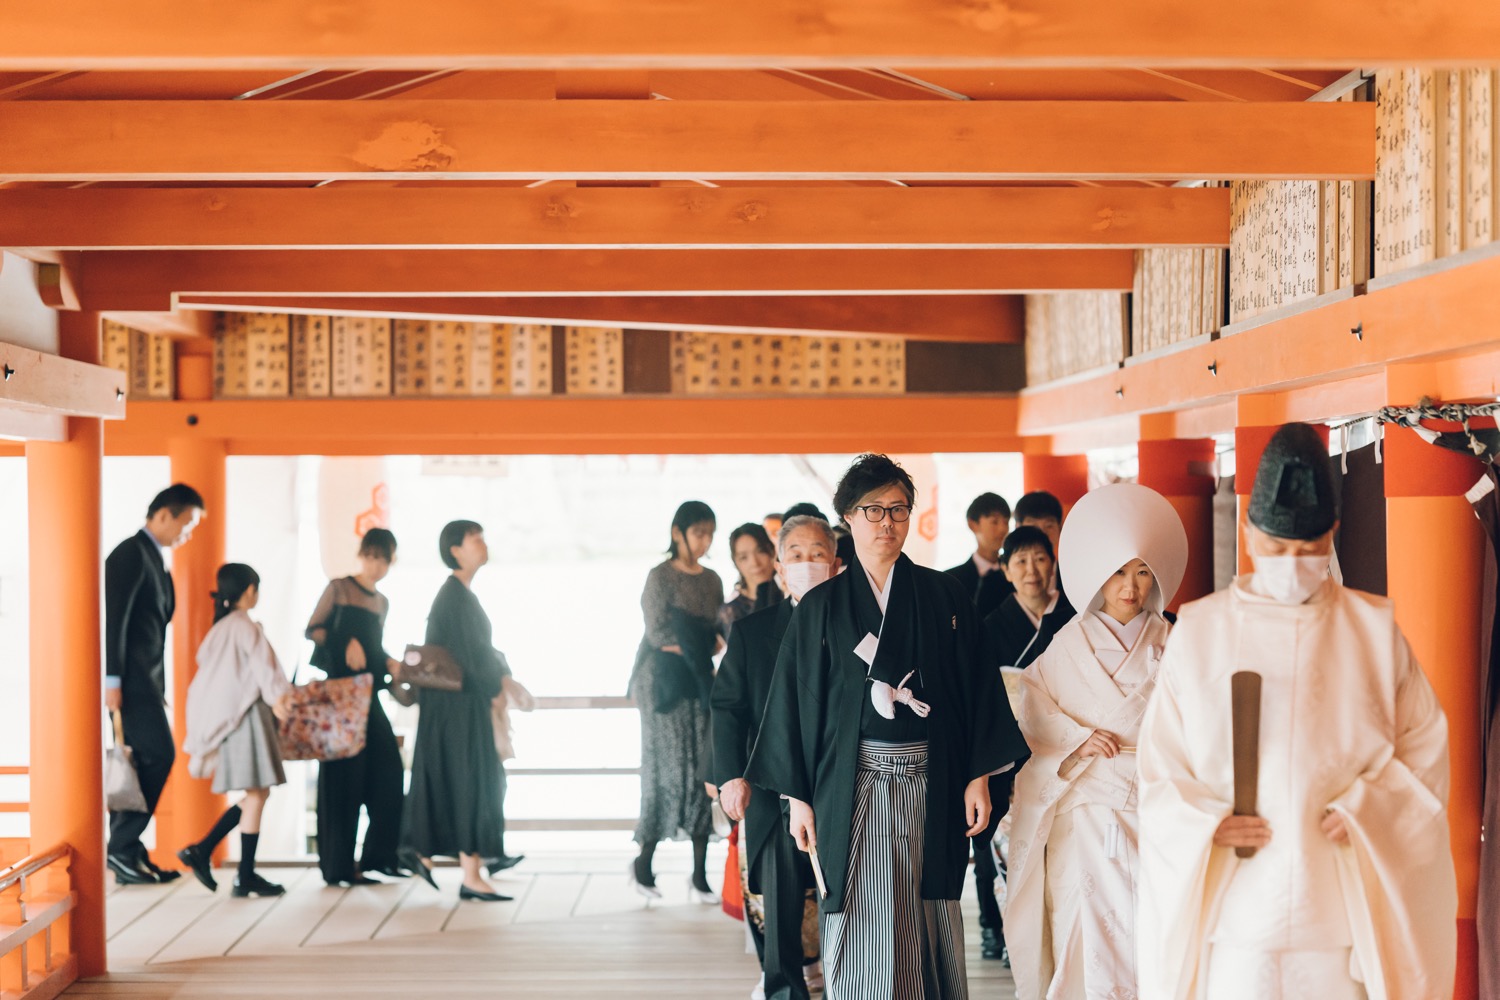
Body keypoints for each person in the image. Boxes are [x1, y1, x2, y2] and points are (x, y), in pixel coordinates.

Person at [1137, 422, 1457, 1000]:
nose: (1292, 563)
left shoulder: (1373, 630)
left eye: (1309, 551)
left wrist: (1371, 806)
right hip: (1238, 903)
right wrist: (1204, 821)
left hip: (1335, 899)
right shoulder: (1202, 630)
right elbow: (1161, 766)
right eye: (1279, 549)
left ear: (1332, 533)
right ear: (1250, 532)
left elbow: (1425, 745)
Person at [746, 454, 1028, 1000]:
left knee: (929, 909)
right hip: (852, 787)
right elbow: (795, 705)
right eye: (872, 510)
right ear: (848, 520)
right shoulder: (822, 606)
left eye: (898, 510)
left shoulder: (944, 595)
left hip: (932, 779)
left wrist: (977, 777)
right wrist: (798, 800)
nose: (886, 523)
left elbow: (974, 689)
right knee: (863, 912)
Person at [1004, 483, 1188, 1000]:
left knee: (1149, 927)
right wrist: (1077, 742)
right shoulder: (1067, 647)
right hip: (1083, 803)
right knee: (1080, 922)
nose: (1130, 586)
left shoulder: (1172, 644)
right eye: (1118, 572)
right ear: (1098, 575)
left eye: (1142, 572)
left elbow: (1196, 722)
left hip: (1152, 803)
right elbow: (1032, 713)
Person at [713, 515, 840, 1000]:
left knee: (849, 897)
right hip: (770, 787)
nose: (807, 564)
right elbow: (727, 708)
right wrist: (729, 776)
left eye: (817, 554)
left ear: (836, 564)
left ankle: (850, 981)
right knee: (783, 899)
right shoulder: (751, 632)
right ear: (780, 569)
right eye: (796, 555)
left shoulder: (858, 630)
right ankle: (784, 989)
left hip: (841, 783)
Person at [967, 525, 1077, 966]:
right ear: (1006, 570)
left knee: (1050, 837)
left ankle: (1044, 923)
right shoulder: (989, 627)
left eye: (1040, 559)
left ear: (1053, 565)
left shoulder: (1073, 619)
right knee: (992, 835)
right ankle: (995, 924)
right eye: (1021, 561)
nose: (1032, 570)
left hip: (1059, 742)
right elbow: (978, 692)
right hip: (1004, 745)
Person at [399, 520, 514, 903]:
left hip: (453, 708)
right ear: (455, 550)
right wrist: (498, 687)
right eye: (475, 539)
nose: (483, 544)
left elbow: (477, 652)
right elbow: (473, 656)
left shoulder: (458, 595)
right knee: (472, 783)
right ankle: (469, 872)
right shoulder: (454, 596)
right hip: (458, 709)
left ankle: (441, 859)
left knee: (467, 782)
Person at [103, 482, 205, 885]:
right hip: (128, 680)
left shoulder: (154, 557)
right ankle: (122, 848)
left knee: (145, 759)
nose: (187, 533)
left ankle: (129, 850)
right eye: (186, 523)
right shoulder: (129, 553)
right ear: (164, 514)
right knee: (157, 755)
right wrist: (113, 679)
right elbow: (117, 620)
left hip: (146, 681)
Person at [177, 564, 293, 897]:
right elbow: (264, 668)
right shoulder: (245, 627)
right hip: (247, 718)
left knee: (257, 793)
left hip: (232, 720)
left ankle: (217, 857)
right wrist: (279, 699)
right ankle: (233, 868)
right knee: (257, 793)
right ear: (249, 591)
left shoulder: (220, 629)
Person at [629, 500, 723, 902]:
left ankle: (700, 874)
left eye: (709, 533)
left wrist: (701, 642)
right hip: (663, 684)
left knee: (703, 767)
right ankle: (643, 863)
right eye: (698, 532)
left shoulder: (714, 578)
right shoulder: (659, 575)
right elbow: (657, 633)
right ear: (677, 533)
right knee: (665, 768)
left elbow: (720, 630)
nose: (704, 541)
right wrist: (699, 643)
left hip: (700, 679)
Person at [305, 527, 408, 887]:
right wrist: (342, 639)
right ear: (363, 554)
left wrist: (393, 664)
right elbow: (313, 630)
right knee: (342, 781)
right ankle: (338, 866)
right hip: (339, 698)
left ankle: (380, 857)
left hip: (369, 695)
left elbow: (375, 650)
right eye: (373, 557)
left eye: (385, 560)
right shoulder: (339, 588)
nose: (377, 566)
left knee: (389, 774)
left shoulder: (382, 602)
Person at [945, 491, 1015, 620]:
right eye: (994, 522)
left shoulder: (1016, 576)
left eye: (1006, 522)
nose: (1002, 529)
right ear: (973, 524)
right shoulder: (951, 579)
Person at [722, 522, 782, 634]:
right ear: (736, 563)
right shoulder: (732, 611)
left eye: (760, 551)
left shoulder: (791, 596)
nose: (755, 563)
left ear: (772, 551)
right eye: (744, 557)